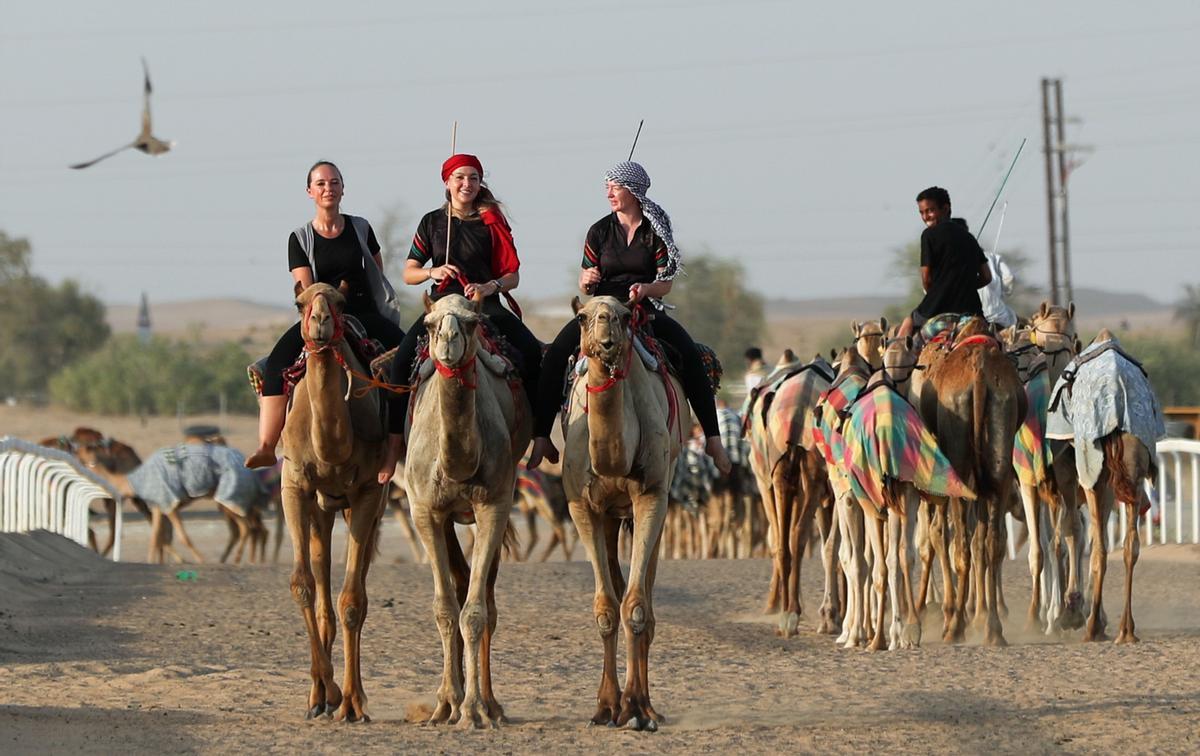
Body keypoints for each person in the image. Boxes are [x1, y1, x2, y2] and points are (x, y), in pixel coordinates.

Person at [526, 161, 731, 474]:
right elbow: (585, 278)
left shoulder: (653, 232)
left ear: (634, 191)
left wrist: (646, 288)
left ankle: (713, 439)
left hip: (641, 311)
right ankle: (542, 437)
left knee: (689, 353)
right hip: (601, 311)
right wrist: (586, 280)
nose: (609, 192)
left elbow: (667, 282)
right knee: (555, 353)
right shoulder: (598, 231)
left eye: (615, 186)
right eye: (607, 186)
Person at [376, 154, 542, 482]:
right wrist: (432, 271)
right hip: (441, 306)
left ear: (480, 183)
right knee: (399, 365)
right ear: (447, 182)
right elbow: (408, 273)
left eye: (473, 178)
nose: (467, 184)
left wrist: (488, 285)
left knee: (533, 353)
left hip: (484, 305)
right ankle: (394, 448)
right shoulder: (433, 222)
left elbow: (513, 275)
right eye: (460, 178)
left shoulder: (491, 222)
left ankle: (538, 439)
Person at [246, 160, 405, 469]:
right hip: (319, 314)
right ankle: (267, 445)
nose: (328, 188)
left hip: (362, 312)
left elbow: (376, 271)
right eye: (321, 184)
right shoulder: (300, 238)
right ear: (309, 192)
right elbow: (305, 290)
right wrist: (331, 300)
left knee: (406, 357)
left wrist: (353, 298)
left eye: (334, 182)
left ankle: (402, 442)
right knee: (277, 363)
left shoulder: (361, 227)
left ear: (343, 188)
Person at [897, 186, 992, 337]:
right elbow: (987, 277)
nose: (926, 216)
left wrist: (940, 292)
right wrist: (964, 286)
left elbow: (926, 279)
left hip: (937, 306)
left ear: (945, 208)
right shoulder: (969, 237)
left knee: (908, 323)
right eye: (922, 212)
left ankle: (894, 360)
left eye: (930, 210)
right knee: (999, 342)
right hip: (972, 310)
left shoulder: (929, 235)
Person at [979, 249, 1017, 328]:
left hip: (973, 317)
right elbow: (1009, 278)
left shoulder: (963, 259)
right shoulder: (994, 257)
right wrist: (1001, 294)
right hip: (998, 316)